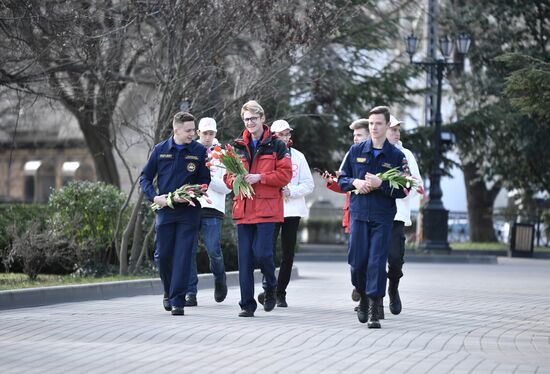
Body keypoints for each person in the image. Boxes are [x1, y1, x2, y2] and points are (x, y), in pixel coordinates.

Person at [338, 105, 407, 328]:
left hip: (382, 215)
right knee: (357, 261)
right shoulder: (356, 150)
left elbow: (405, 188)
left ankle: (375, 307)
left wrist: (382, 184)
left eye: (378, 123)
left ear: (387, 126)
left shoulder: (396, 155)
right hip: (359, 213)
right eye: (371, 123)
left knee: (377, 261)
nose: (374, 127)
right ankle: (363, 294)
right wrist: (355, 183)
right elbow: (342, 179)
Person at [224, 100, 292, 317]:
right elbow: (227, 177)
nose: (250, 123)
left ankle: (270, 287)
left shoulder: (278, 145)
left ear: (263, 119)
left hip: (267, 209)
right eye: (246, 119)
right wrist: (237, 180)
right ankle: (247, 304)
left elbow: (285, 175)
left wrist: (259, 177)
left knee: (263, 254)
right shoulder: (237, 146)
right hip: (243, 209)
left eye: (253, 118)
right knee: (244, 259)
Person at [140, 112, 211, 316]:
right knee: (162, 256)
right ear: (176, 130)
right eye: (188, 130)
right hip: (165, 211)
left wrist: (191, 192)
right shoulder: (160, 150)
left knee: (182, 256)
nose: (192, 134)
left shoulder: (198, 151)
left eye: (193, 130)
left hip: (189, 212)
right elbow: (145, 178)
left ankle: (178, 300)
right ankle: (168, 290)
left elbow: (205, 181)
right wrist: (155, 198)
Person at [257, 119, 314, 308]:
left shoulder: (298, 157)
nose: (283, 137)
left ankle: (280, 293)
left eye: (286, 134)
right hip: (271, 209)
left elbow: (309, 184)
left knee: (287, 254)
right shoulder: (266, 154)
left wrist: (292, 191)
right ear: (272, 136)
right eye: (279, 134)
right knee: (267, 251)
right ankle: (268, 289)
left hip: (292, 211)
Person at [320, 119, 369, 304]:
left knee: (373, 259)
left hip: (376, 214)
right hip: (354, 213)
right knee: (355, 259)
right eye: (354, 135)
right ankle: (358, 285)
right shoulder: (351, 154)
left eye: (359, 135)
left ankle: (369, 300)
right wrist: (332, 181)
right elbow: (344, 182)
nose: (355, 139)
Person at [185, 117, 231, 307]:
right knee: (189, 250)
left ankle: (220, 279)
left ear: (215, 134)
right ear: (198, 133)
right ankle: (190, 292)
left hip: (213, 208)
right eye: (205, 133)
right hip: (192, 207)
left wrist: (209, 178)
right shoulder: (190, 152)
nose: (208, 137)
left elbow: (229, 187)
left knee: (213, 251)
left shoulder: (224, 156)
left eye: (211, 134)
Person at [384, 115, 423, 315]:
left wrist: (401, 186)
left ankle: (393, 288)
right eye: (393, 129)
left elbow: (417, 183)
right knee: (375, 258)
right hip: (377, 214)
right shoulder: (375, 151)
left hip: (397, 215)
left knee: (396, 258)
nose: (396, 133)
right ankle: (374, 298)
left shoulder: (406, 154)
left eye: (398, 129)